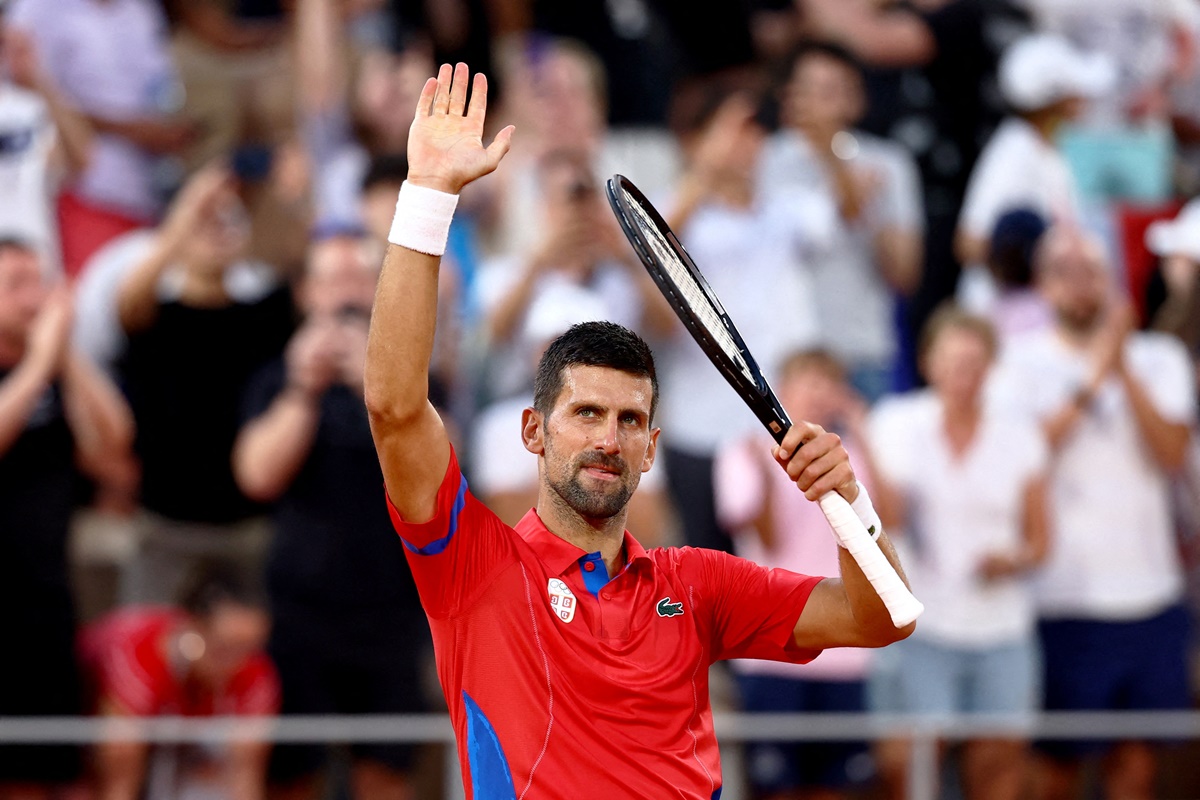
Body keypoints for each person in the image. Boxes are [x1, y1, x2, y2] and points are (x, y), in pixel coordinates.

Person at [365, 61, 914, 799]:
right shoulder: (474, 566)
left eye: (629, 420)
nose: (608, 437)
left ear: (652, 447)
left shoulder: (698, 584)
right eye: (585, 413)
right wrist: (428, 197)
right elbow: (396, 409)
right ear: (533, 431)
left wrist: (850, 503)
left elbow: (881, 619)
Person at [993, 226, 1195, 800]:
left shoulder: (1160, 357)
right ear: (1042, 285)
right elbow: (1025, 456)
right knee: (1055, 771)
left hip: (1151, 593)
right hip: (1064, 598)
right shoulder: (1017, 365)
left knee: (1137, 770)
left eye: (1092, 271)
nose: (1081, 285)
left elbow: (1172, 454)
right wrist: (1095, 378)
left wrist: (1123, 368)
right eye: (1064, 271)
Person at [233, 233, 431, 800]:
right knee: (295, 774)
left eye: (358, 278)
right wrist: (304, 388)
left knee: (387, 775)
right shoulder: (277, 379)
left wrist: (377, 388)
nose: (346, 291)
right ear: (307, 293)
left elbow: (438, 476)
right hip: (302, 614)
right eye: (332, 279)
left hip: (392, 614)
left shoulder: (411, 382)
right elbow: (256, 475)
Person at [867, 307, 1050, 800]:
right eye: (952, 361)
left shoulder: (1019, 434)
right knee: (910, 768)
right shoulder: (897, 422)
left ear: (989, 367)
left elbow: (1039, 541)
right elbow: (889, 518)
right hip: (922, 623)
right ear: (929, 363)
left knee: (1000, 769)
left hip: (1002, 626)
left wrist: (1012, 560)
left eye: (973, 362)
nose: (962, 374)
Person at [657, 89, 827, 554]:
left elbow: (839, 222)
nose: (745, 143)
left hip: (779, 425)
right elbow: (652, 259)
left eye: (754, 131)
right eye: (731, 131)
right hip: (699, 424)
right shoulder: (676, 208)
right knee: (704, 567)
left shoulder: (787, 209)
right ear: (698, 140)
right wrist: (705, 170)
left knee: (781, 567)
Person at [116, 165, 295, 604]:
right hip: (165, 525)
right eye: (204, 221)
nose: (216, 230)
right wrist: (188, 208)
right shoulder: (155, 317)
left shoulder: (266, 316)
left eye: (227, 220)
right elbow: (129, 300)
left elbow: (295, 262)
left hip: (246, 529)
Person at [0, 237, 133, 799]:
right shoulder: (32, 373)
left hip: (46, 603)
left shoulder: (55, 367)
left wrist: (66, 354)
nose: (34, 300)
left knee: (51, 775)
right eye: (16, 285)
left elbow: (111, 445)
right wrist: (35, 366)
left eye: (41, 283)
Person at [714, 349, 879, 800]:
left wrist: (863, 430)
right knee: (776, 788)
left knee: (837, 788)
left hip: (844, 652)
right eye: (809, 381)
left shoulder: (853, 456)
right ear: (783, 390)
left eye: (828, 383)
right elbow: (765, 537)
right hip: (772, 647)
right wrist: (770, 476)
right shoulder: (743, 450)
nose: (818, 393)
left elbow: (889, 522)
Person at [760, 41, 924, 402]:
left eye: (836, 90)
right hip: (783, 358)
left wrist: (839, 166)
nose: (825, 104)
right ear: (788, 98)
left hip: (862, 353)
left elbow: (905, 274)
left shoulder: (888, 163)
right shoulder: (762, 161)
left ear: (857, 99)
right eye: (814, 90)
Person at [7, 0, 196, 276]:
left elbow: (158, 86)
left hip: (149, 193)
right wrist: (131, 130)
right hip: (86, 195)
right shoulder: (37, 9)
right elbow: (29, 99)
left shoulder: (140, 9)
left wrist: (166, 130)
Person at [80, 563, 279, 800]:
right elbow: (119, 781)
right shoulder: (138, 653)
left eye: (249, 649)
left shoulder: (255, 672)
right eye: (224, 649)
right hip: (86, 735)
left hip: (180, 752)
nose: (236, 664)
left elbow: (245, 777)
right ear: (191, 626)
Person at [954, 33, 1114, 309]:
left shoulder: (1053, 150)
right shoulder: (1014, 150)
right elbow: (970, 243)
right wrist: (1025, 276)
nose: (1083, 102)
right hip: (1003, 318)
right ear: (1055, 103)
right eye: (1074, 94)